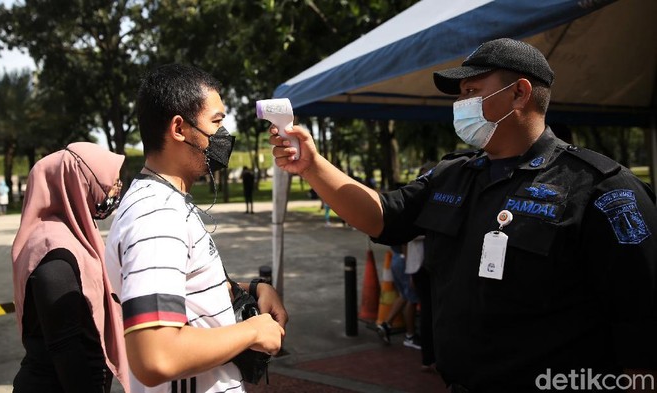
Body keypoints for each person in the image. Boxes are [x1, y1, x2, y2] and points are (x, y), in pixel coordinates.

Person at [269, 38, 657, 392]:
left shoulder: (602, 188)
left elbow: (642, 321)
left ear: (520, 93)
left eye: (472, 91)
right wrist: (312, 166)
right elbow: (383, 217)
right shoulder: (453, 174)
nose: (460, 105)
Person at [104, 63, 287, 393]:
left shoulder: (168, 202)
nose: (224, 136)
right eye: (216, 123)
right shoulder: (156, 214)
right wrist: (254, 332)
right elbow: (155, 356)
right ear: (179, 128)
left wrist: (253, 288)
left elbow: (183, 285)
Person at [11, 142, 129, 393]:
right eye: (107, 182)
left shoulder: (74, 234)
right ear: (79, 184)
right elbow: (66, 348)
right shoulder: (53, 252)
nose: (114, 189)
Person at [376, 244, 421, 350]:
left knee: (404, 295)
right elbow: (406, 243)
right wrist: (410, 268)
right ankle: (410, 336)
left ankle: (386, 325)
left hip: (397, 258)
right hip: (405, 261)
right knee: (411, 298)